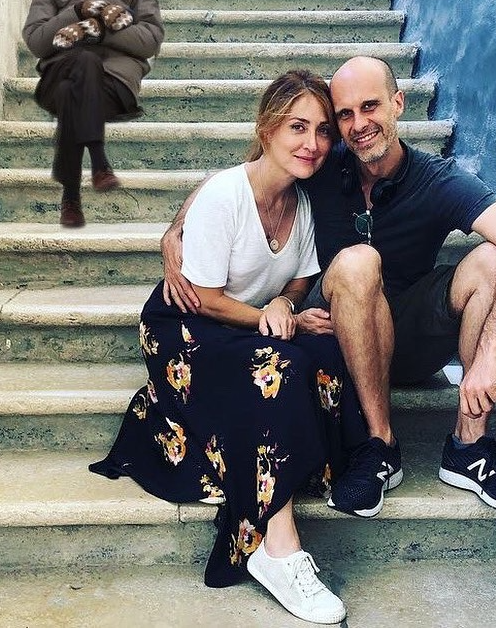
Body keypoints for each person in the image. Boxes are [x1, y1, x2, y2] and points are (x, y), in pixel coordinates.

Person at [162, 55, 496, 521]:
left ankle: (470, 446)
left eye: (370, 106)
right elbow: (245, 175)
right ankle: (379, 445)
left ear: (398, 103)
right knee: (358, 261)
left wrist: (487, 357)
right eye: (345, 114)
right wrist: (175, 231)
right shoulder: (321, 160)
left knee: (493, 257)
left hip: (412, 337)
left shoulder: (437, 178)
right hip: (341, 336)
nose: (359, 124)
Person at [90, 70, 349, 624]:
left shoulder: (302, 204)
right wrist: (277, 320)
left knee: (325, 356)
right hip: (184, 325)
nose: (313, 142)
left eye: (324, 130)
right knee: (275, 368)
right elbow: (205, 299)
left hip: (242, 326)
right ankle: (278, 549)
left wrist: (284, 304)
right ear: (266, 128)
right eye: (298, 127)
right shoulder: (225, 195)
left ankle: (305, 469)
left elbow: (301, 280)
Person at [22, 0, 164, 228]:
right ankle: (99, 161)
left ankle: (70, 196)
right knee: (79, 66)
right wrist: (76, 11)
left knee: (72, 89)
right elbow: (36, 41)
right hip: (57, 76)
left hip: (114, 85)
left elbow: (150, 40)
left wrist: (97, 31)